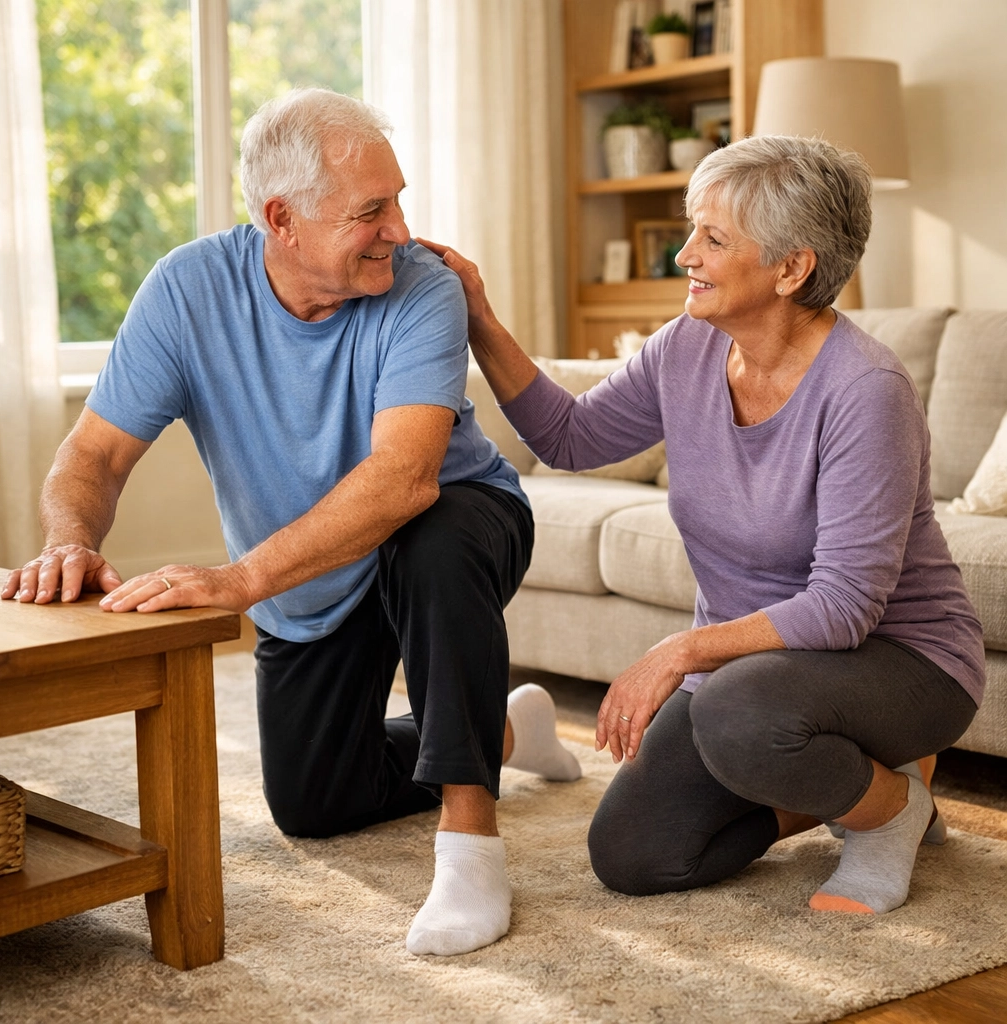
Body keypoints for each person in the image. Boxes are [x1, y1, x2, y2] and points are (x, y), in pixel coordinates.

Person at [1, 88, 583, 957]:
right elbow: (93, 457)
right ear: (284, 219)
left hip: (458, 520)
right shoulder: (188, 291)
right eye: (371, 210)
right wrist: (70, 541)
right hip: (312, 572)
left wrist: (236, 581)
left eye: (398, 199)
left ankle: (470, 844)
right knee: (315, 803)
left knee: (433, 539)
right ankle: (503, 727)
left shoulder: (423, 290)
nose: (399, 227)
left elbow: (403, 478)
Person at [422, 134, 985, 916]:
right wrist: (479, 317)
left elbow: (845, 606)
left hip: (902, 661)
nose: (685, 253)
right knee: (635, 853)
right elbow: (571, 439)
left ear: (792, 268)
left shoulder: (867, 391)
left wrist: (679, 651)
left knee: (739, 713)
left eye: (712, 238)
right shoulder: (688, 345)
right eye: (692, 229)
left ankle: (888, 813)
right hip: (756, 676)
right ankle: (867, 786)